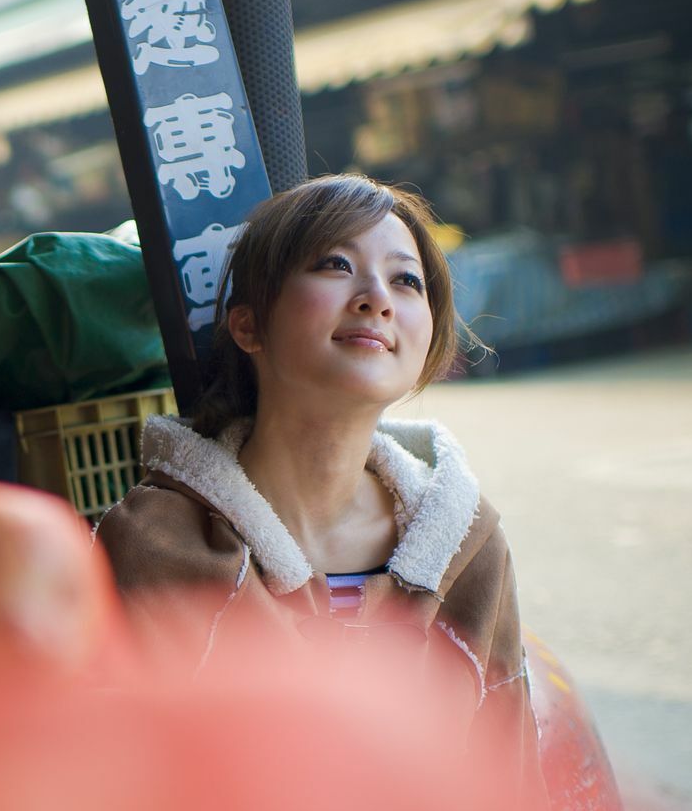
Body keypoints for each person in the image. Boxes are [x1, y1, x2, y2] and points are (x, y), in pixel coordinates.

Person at [97, 173, 537, 776]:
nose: (377, 297)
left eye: (406, 280)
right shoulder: (152, 543)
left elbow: (511, 787)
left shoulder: (473, 546)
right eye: (335, 264)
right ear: (248, 325)